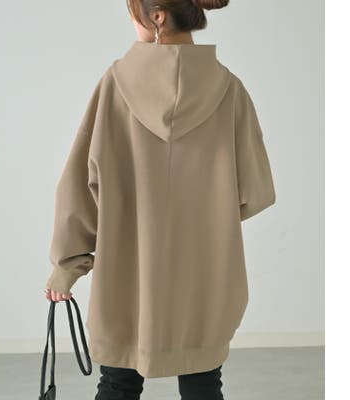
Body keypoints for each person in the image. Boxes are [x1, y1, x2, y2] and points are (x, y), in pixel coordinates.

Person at [44, 0, 276, 398]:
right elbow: (256, 192)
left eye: (132, 9)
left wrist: (68, 265)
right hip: (205, 276)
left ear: (157, 17)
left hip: (125, 275)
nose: (129, 18)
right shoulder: (230, 89)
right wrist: (208, 211)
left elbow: (80, 183)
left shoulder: (115, 85)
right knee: (203, 383)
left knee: (117, 383)